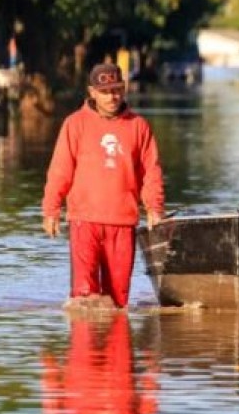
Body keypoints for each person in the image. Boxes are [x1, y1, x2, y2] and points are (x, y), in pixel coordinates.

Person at [42, 62, 165, 308]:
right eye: (106, 91)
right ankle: (84, 345)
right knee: (83, 298)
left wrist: (154, 208)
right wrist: (51, 210)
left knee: (118, 301)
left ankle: (116, 345)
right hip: (84, 221)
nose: (112, 96)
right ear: (92, 92)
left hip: (123, 223)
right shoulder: (75, 124)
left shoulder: (138, 126)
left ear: (124, 89)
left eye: (117, 90)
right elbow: (60, 170)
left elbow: (151, 171)